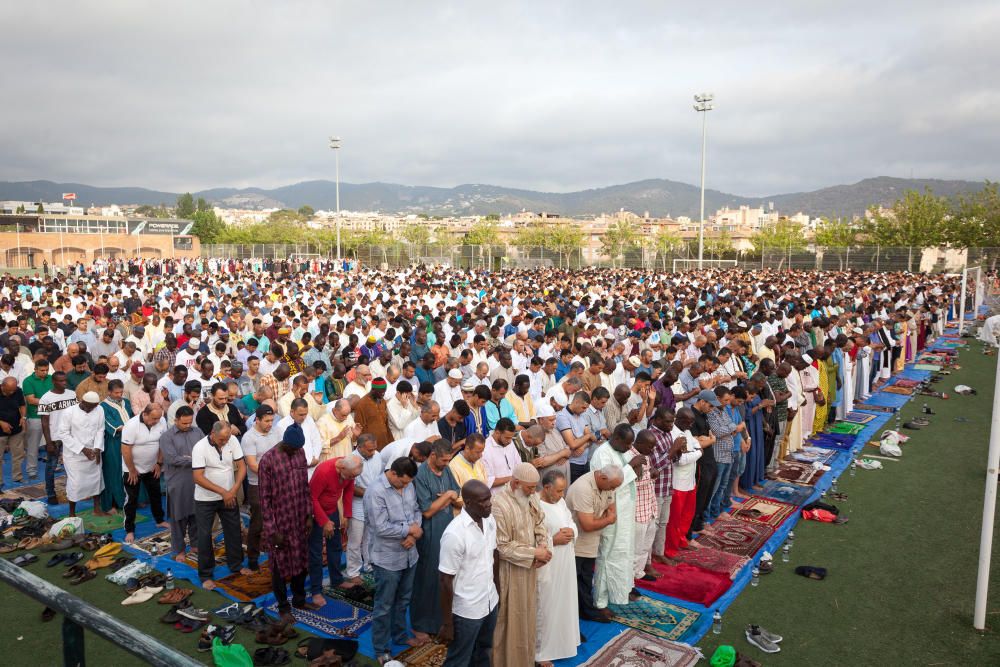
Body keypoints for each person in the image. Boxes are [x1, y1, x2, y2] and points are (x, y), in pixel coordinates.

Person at [491, 462, 551, 667]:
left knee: (529, 615)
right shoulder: (499, 504)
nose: (534, 492)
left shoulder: (531, 496)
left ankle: (525, 660)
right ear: (516, 483)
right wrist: (535, 553)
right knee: (510, 619)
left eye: (535, 487)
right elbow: (502, 546)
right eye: (529, 487)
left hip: (531, 567)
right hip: (510, 572)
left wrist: (542, 545)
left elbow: (540, 522)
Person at [364, 456, 423, 663]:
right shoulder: (376, 491)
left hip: (409, 554)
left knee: (403, 599)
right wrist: (409, 531)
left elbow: (416, 510)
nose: (406, 486)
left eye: (409, 483)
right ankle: (381, 649)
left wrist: (413, 532)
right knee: (384, 605)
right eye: (403, 482)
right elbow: (380, 527)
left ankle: (400, 635)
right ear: (393, 473)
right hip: (387, 557)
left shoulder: (408, 485)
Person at [438, 479, 499, 667]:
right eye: (483, 501)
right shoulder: (454, 534)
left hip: (490, 601)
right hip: (467, 610)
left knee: (484, 651)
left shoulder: (489, 520)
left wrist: (499, 592)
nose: (489, 503)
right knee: (459, 659)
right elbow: (445, 580)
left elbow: (494, 556)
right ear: (469, 503)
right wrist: (448, 623)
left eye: (489, 498)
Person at [258, 422, 314, 622]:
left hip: (299, 519)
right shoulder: (268, 460)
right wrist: (273, 530)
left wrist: (309, 515)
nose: (295, 451)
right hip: (280, 522)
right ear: (284, 443)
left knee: (301, 561)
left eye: (298, 448)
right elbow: (264, 499)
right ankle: (283, 607)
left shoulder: (300, 454)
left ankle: (299, 599)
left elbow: (305, 487)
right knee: (279, 565)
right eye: (292, 448)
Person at [411, 439, 462, 642]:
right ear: (433, 455)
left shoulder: (446, 470)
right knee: (427, 579)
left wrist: (446, 497)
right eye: (444, 460)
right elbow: (428, 510)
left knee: (445, 576)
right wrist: (447, 496)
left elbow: (457, 491)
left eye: (449, 460)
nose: (447, 463)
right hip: (430, 533)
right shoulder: (421, 474)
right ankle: (421, 624)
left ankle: (441, 620)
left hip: (447, 527)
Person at [192, 422, 252, 590]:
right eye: (221, 439)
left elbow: (241, 467)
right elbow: (198, 477)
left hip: (228, 495)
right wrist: (222, 492)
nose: (224, 442)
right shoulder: (199, 447)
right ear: (212, 433)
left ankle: (236, 565)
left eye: (227, 439)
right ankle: (205, 574)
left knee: (233, 529)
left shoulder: (232, 440)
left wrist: (233, 490)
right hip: (205, 499)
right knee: (204, 535)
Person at [590, 423, 639, 607]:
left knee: (623, 552)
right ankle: (600, 602)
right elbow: (608, 483)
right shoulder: (602, 454)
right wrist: (631, 467)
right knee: (608, 554)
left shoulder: (620, 449)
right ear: (616, 438)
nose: (629, 448)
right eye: (627, 444)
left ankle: (619, 592)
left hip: (625, 511)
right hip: (611, 511)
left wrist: (635, 467)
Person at [535, 469, 580, 665]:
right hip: (547, 564)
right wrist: (553, 540)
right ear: (546, 488)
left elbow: (570, 521)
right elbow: (530, 538)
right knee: (546, 606)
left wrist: (572, 530)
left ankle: (564, 642)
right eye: (559, 491)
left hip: (566, 562)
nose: (562, 496)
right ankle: (541, 652)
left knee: (565, 601)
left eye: (564, 490)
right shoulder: (535, 505)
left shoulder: (560, 502)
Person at [566, 465, 621, 622]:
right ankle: (574, 616)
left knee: (585, 578)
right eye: (612, 486)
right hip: (575, 543)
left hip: (591, 541)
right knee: (575, 580)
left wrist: (602, 519)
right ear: (603, 478)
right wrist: (607, 520)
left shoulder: (608, 483)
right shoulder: (583, 488)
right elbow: (587, 525)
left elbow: (612, 510)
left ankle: (586, 611)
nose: (613, 490)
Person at [308, 453, 362, 606]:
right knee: (316, 552)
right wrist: (324, 521)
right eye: (350, 476)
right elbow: (312, 498)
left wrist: (347, 514)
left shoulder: (349, 470)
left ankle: (337, 580)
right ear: (342, 468)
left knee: (336, 546)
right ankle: (316, 591)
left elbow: (349, 490)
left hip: (332, 510)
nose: (351, 479)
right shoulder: (324, 471)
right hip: (315, 512)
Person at [242, 404, 283, 570]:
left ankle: (279, 555)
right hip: (257, 485)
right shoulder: (249, 438)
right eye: (266, 421)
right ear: (257, 420)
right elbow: (252, 465)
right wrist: (273, 472)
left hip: (277, 483)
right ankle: (253, 558)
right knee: (258, 523)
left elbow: (283, 454)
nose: (270, 424)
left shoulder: (277, 431)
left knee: (279, 520)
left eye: (272, 420)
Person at [121, 404, 169, 543]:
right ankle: (129, 529)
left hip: (152, 466)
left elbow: (163, 444)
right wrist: (131, 470)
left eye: (159, 418)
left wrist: (159, 463)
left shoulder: (161, 421)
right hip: (132, 469)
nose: (156, 421)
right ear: (145, 414)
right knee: (131, 499)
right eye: (154, 418)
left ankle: (159, 520)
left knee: (155, 495)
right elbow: (125, 449)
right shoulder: (131, 425)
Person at [159, 405, 202, 561]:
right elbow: (172, 459)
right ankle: (179, 550)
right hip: (178, 483)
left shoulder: (197, 432)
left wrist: (187, 458)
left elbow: (205, 450)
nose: (187, 426)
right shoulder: (167, 437)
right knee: (179, 518)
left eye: (189, 422)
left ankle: (196, 544)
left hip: (198, 481)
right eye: (184, 423)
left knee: (196, 515)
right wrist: (193, 459)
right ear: (175, 420)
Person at [55, 391, 105, 517]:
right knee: (75, 483)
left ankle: (96, 509)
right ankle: (72, 513)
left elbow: (100, 429)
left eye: (94, 406)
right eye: (88, 406)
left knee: (96, 480)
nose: (91, 409)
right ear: (82, 402)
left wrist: (98, 448)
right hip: (74, 455)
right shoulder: (69, 412)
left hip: (93, 452)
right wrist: (83, 449)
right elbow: (63, 434)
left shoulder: (99, 410)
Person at [663, 408, 705, 558]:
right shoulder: (672, 433)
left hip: (690, 481)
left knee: (687, 515)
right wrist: (698, 453)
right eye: (689, 421)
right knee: (674, 519)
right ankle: (670, 550)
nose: (691, 424)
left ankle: (681, 541)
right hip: (677, 483)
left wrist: (693, 452)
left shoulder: (687, 431)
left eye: (692, 421)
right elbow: (680, 461)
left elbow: (697, 445)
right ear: (678, 419)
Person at [345, 433, 382, 588]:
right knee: (355, 539)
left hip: (373, 504)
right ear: (359, 447)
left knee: (370, 537)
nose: (372, 453)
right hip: (357, 505)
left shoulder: (377, 456)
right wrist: (370, 493)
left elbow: (380, 477)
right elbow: (351, 487)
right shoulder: (351, 460)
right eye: (369, 450)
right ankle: (353, 572)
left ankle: (368, 564)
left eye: (374, 449)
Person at [38, 371, 77, 504]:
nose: (64, 383)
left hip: (70, 436)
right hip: (55, 437)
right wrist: (48, 442)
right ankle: (51, 493)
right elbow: (44, 421)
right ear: (54, 382)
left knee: (72, 464)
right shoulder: (45, 398)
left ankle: (72, 490)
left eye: (65, 380)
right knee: (51, 466)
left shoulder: (72, 394)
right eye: (61, 381)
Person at [99, 380, 133, 513]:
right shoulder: (103, 406)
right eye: (116, 392)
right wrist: (131, 429)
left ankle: (129, 499)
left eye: (121, 392)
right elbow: (112, 426)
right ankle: (112, 504)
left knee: (129, 469)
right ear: (109, 392)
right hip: (113, 442)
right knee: (113, 471)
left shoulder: (126, 402)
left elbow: (132, 417)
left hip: (129, 440)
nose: (119, 395)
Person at [21, 359, 52, 483]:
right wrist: (51, 402)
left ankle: (53, 464)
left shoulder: (51, 378)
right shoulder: (28, 381)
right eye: (42, 370)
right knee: (33, 445)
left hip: (51, 415)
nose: (45, 372)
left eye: (46, 370)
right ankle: (31, 469)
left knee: (53, 442)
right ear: (35, 370)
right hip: (35, 416)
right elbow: (31, 400)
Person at [0, 376, 27, 488]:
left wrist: (23, 417)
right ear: (2, 386)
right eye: (9, 390)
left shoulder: (18, 391)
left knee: (18, 454)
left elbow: (22, 405)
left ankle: (18, 476)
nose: (12, 392)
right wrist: (1, 423)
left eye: (13, 390)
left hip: (16, 428)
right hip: (0, 431)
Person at [481, 418, 520, 495]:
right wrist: (511, 479)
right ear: (497, 432)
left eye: (511, 438)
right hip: (497, 498)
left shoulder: (510, 442)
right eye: (507, 438)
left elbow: (519, 464)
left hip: (515, 493)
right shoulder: (485, 449)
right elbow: (487, 481)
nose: (509, 441)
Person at [355, 377, 393, 450]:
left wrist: (391, 442)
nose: (383, 394)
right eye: (380, 392)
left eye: (384, 391)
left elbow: (386, 424)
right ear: (373, 390)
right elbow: (359, 428)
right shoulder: (362, 404)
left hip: (385, 443)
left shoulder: (383, 401)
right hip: (370, 447)